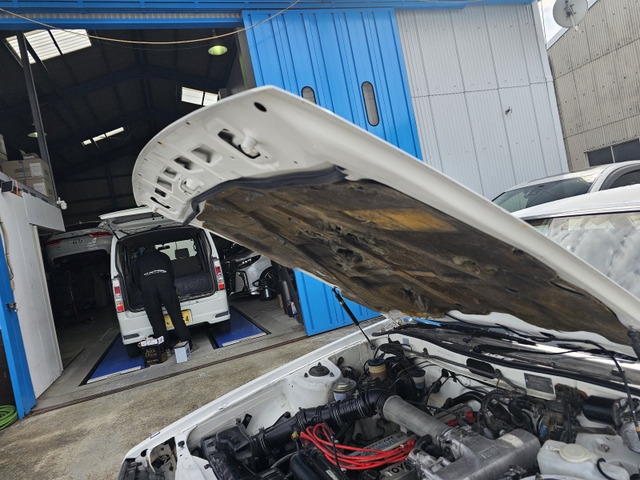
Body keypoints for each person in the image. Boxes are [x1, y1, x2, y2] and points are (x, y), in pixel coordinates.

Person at [135, 245, 193, 350]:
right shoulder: (163, 256)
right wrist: (169, 287)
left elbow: (136, 280)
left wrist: (144, 290)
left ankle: (165, 349)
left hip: (148, 289)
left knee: (156, 320)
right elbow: (171, 274)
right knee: (176, 315)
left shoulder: (139, 260)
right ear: (155, 248)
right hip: (165, 286)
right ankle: (187, 344)